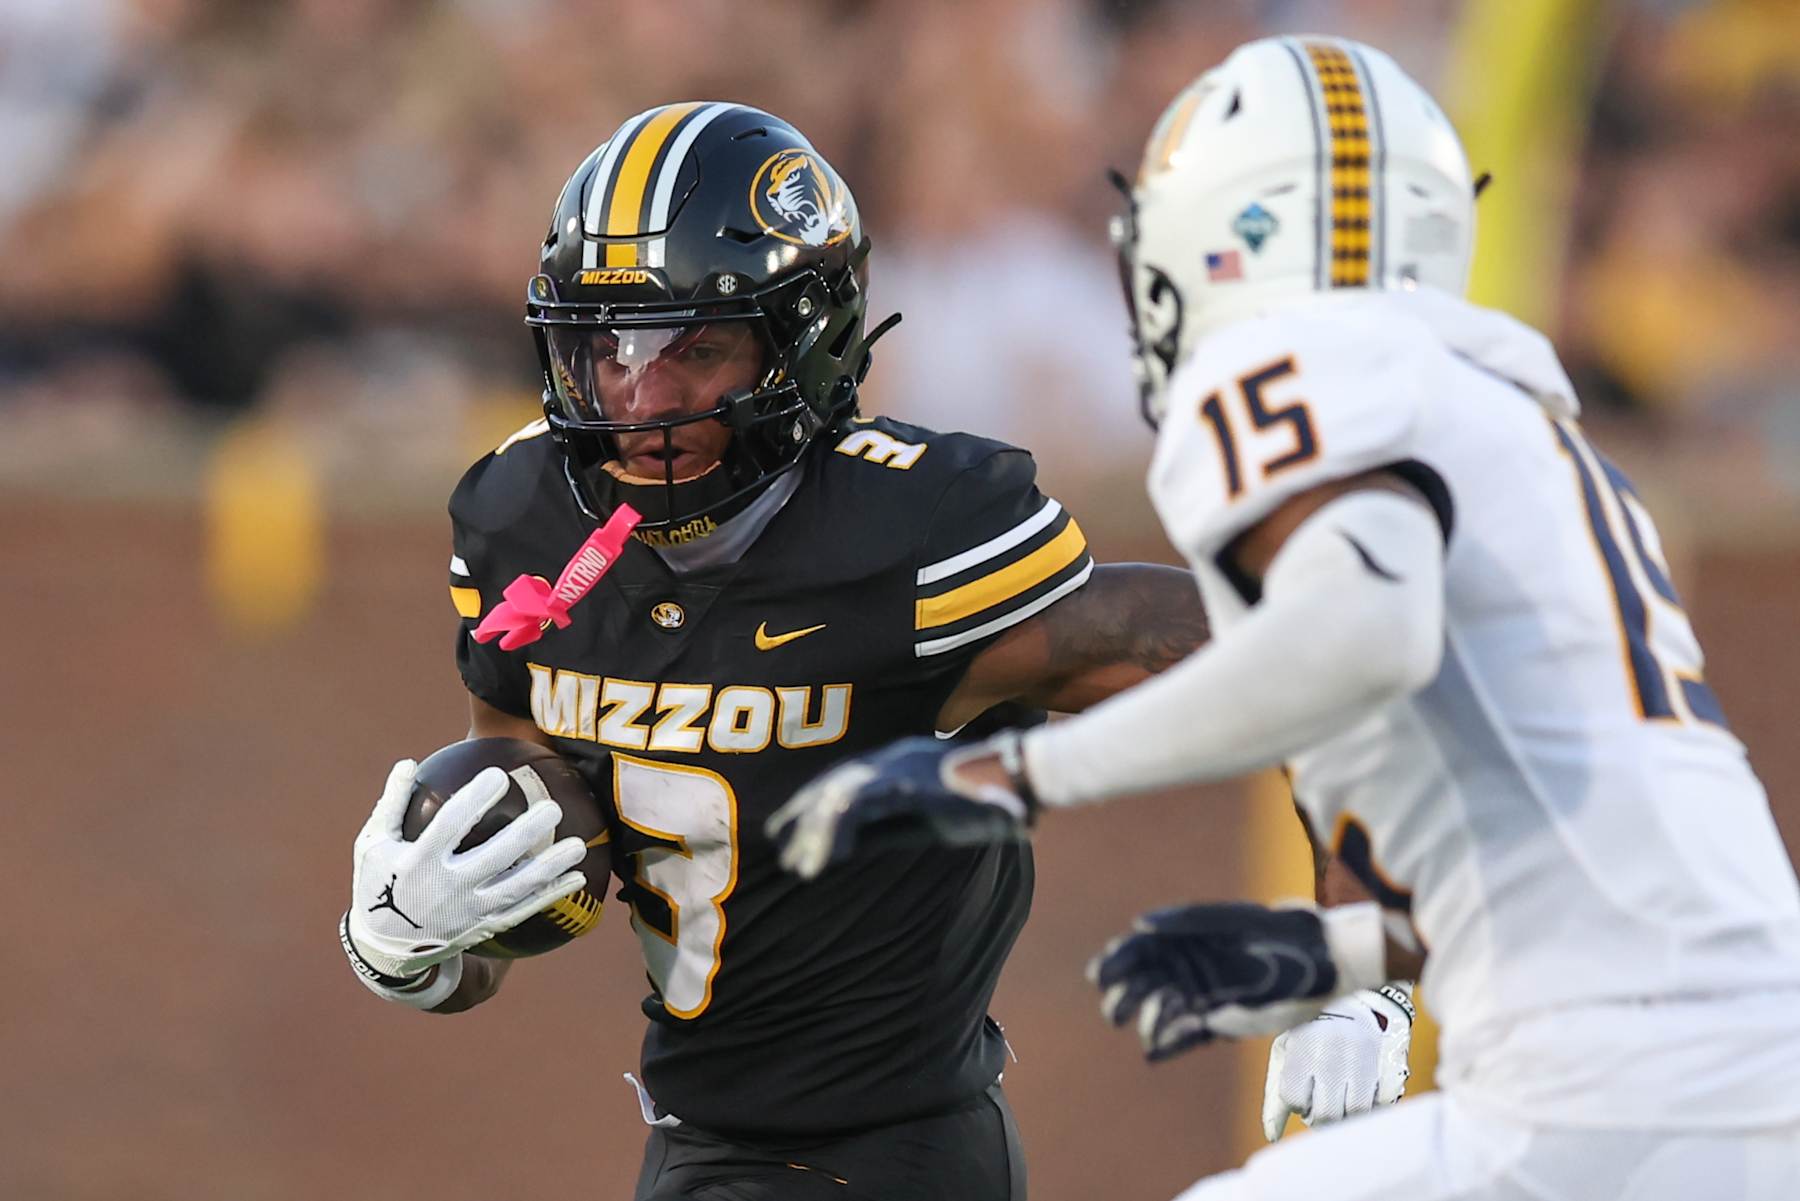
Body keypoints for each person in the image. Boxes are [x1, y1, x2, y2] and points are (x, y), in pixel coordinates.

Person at [765, 37, 1800, 1201]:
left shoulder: (1309, 373)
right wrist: (1339, 961)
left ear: (1233, 226)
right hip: (1721, 1055)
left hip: (1617, 1092)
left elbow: (1364, 639)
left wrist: (1012, 774)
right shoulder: (1510, 414)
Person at [338, 102, 1231, 1201]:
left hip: (896, 1155)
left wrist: (1366, 943)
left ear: (806, 339)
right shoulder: (523, 520)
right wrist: (404, 947)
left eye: (695, 350)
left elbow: (1286, 661)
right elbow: (532, 884)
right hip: (695, 1143)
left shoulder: (912, 534)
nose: (640, 400)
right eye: (605, 350)